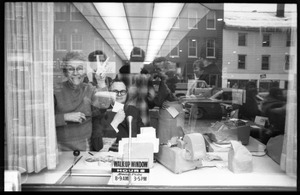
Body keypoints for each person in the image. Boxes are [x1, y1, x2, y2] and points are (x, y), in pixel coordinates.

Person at [54, 51, 110, 151]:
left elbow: (104, 105)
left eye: (79, 68)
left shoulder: (89, 89)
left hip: (85, 145)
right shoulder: (56, 90)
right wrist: (65, 117)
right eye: (71, 69)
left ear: (85, 71)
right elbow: (43, 121)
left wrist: (101, 81)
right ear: (65, 72)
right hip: (59, 146)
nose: (75, 73)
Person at [92, 78, 145, 152]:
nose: (119, 94)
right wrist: (114, 123)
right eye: (115, 91)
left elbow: (142, 136)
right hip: (108, 157)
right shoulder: (100, 112)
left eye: (122, 91)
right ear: (109, 93)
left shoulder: (132, 110)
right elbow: (97, 145)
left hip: (131, 154)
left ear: (127, 93)